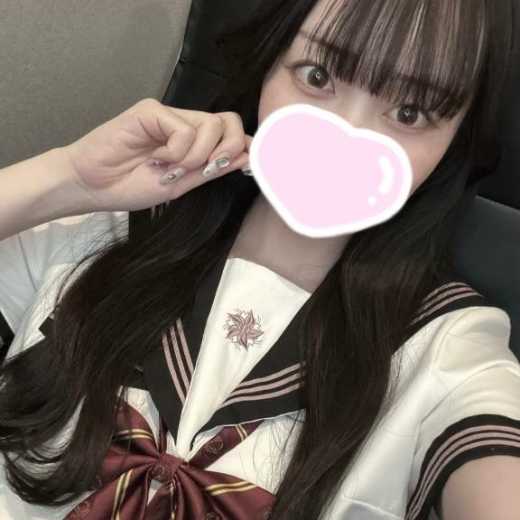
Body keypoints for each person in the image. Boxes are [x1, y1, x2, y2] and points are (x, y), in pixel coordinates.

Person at [1, 0, 519, 518]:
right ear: (269, 64)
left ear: (457, 139)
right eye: (316, 76)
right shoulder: (117, 224)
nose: (343, 137)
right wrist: (70, 179)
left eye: (410, 113)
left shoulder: (445, 347)